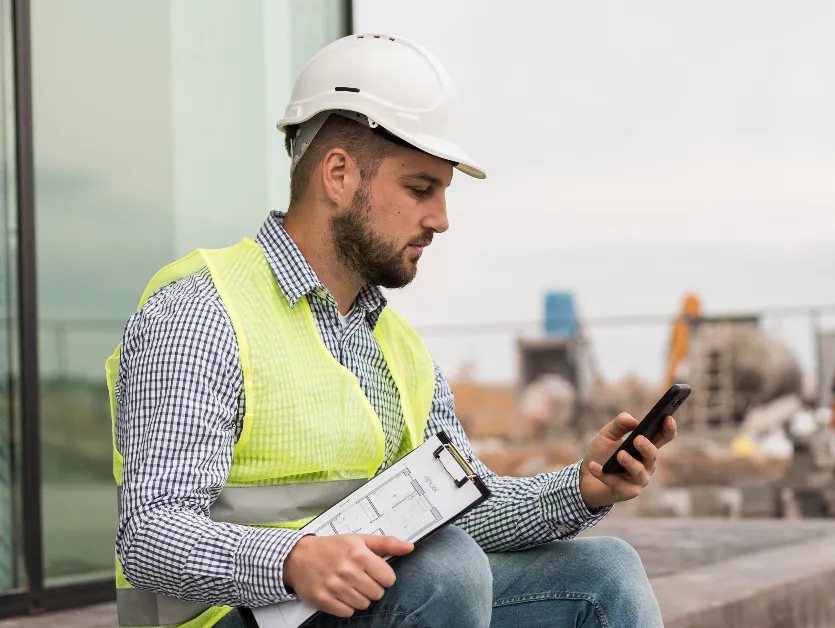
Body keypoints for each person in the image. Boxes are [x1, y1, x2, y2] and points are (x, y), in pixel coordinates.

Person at [108, 33, 675, 628]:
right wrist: (293, 560)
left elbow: (461, 510)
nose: (441, 220)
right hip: (226, 616)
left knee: (606, 573)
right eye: (420, 189)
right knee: (446, 569)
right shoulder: (202, 314)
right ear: (338, 174)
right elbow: (149, 537)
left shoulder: (396, 348)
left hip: (350, 607)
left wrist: (584, 487)